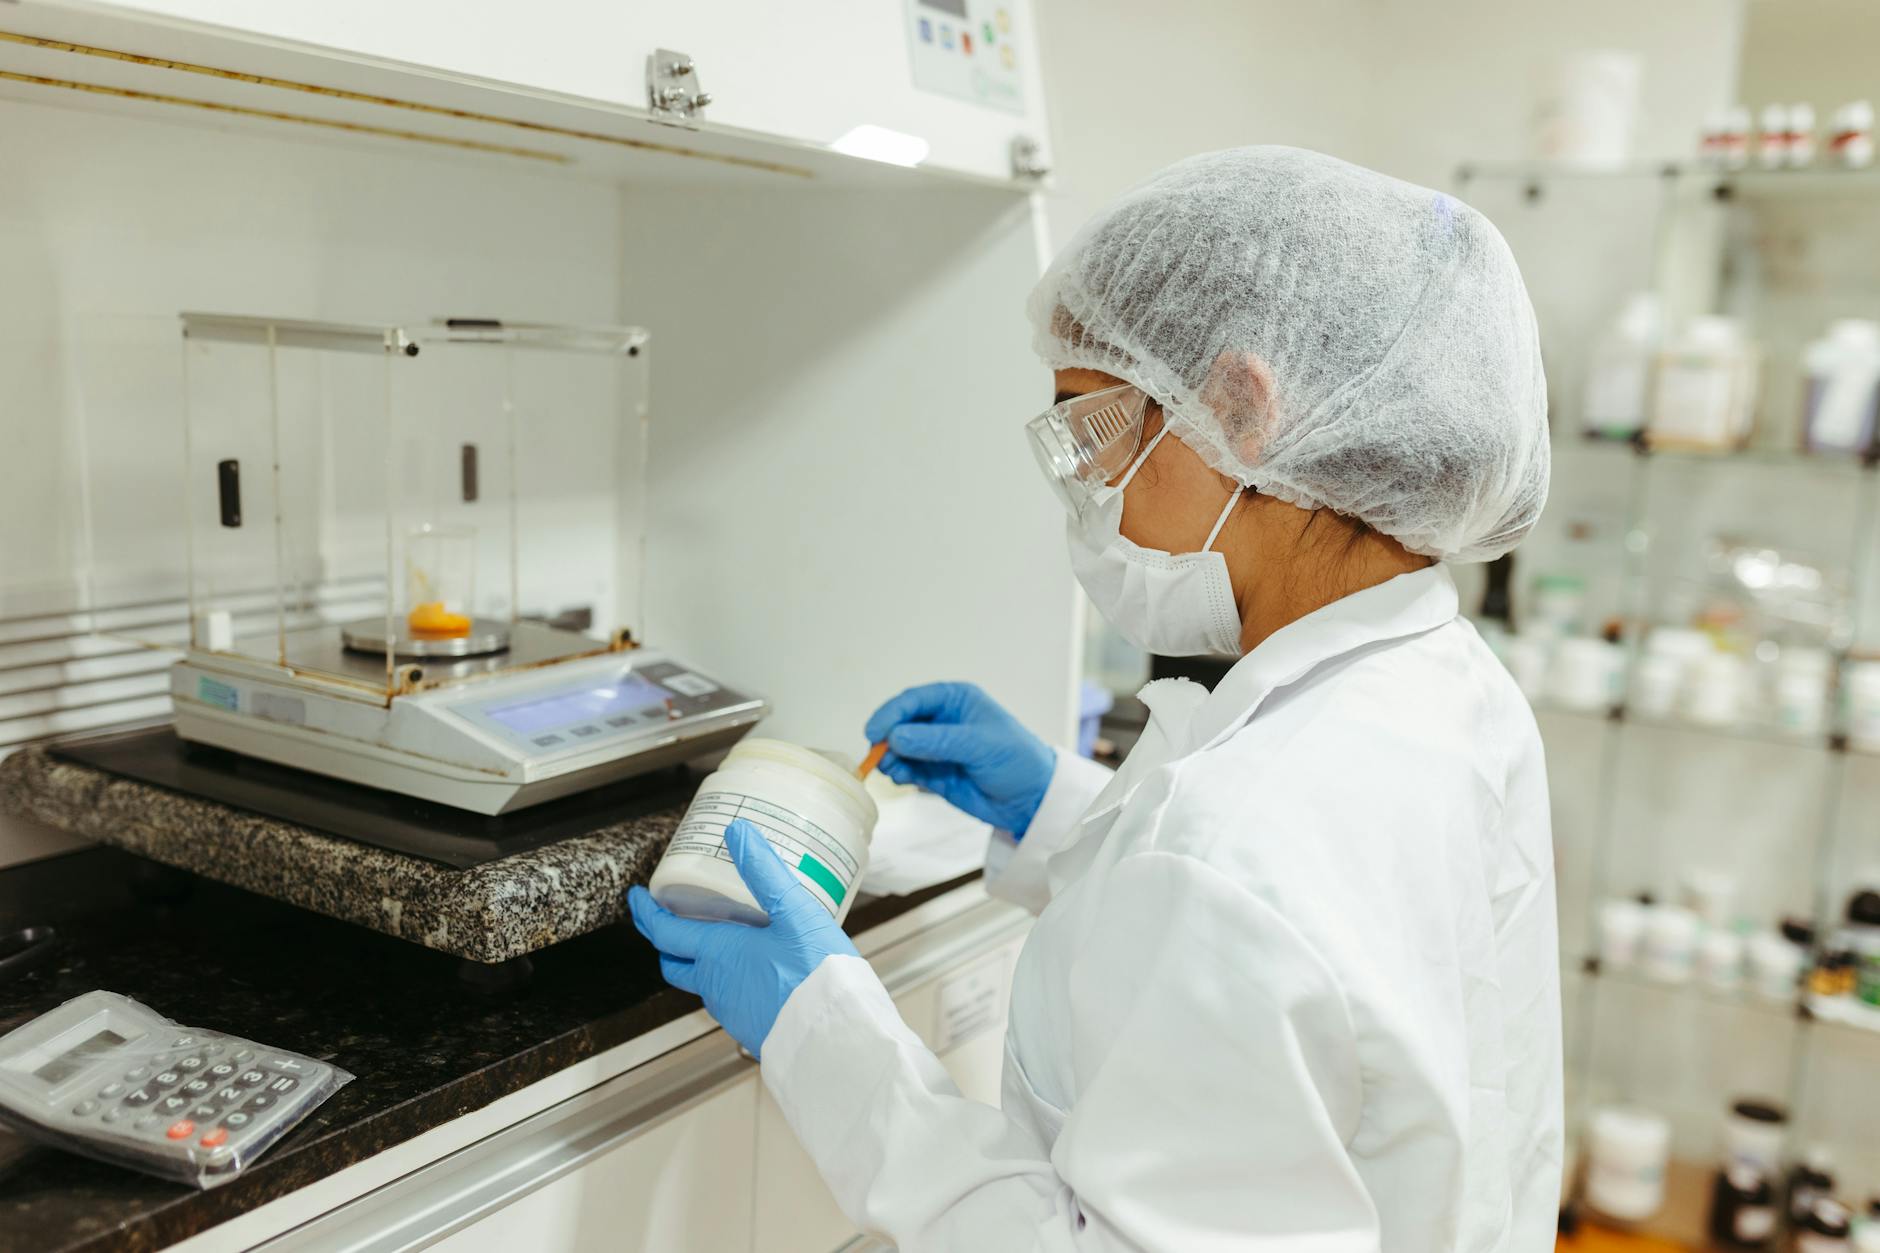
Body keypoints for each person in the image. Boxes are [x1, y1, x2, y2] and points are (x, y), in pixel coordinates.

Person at [629, 146, 1562, 1250]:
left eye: (1090, 428)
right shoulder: (1444, 686)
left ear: (1239, 407)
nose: (1084, 486)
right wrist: (1062, 811)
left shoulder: (1239, 840)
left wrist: (823, 1030)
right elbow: (1331, 991)